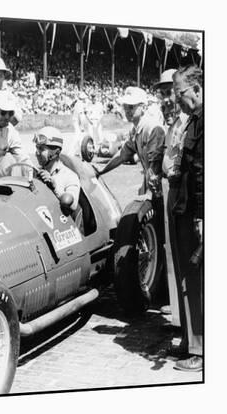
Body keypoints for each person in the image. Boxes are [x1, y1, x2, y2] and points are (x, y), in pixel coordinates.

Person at [169, 66, 203, 372]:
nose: (176, 98)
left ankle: (202, 350)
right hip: (187, 209)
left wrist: (203, 217)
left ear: (196, 88)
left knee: (199, 281)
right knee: (190, 279)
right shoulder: (194, 120)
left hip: (197, 213)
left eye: (179, 92)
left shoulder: (206, 122)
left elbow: (205, 175)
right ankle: (194, 343)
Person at [153, 69, 190, 320]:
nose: (167, 100)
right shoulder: (172, 124)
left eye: (170, 93)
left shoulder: (189, 121)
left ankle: (185, 318)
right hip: (170, 191)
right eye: (163, 95)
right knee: (172, 252)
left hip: (184, 193)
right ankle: (178, 315)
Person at [96, 86, 165, 200]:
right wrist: (102, 170)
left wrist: (149, 194)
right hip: (152, 186)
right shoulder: (135, 129)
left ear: (143, 107)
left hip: (162, 188)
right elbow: (122, 155)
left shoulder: (152, 127)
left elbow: (156, 164)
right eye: (125, 107)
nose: (127, 111)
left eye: (131, 107)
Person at [33, 127, 80, 211]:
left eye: (41, 149)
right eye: (37, 147)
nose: (37, 152)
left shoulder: (70, 176)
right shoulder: (36, 173)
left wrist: (54, 187)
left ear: (56, 152)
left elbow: (73, 205)